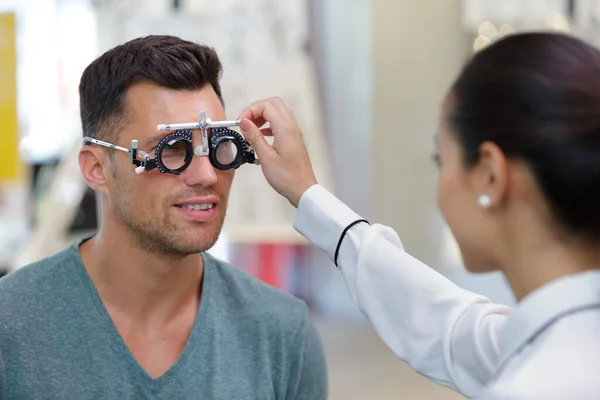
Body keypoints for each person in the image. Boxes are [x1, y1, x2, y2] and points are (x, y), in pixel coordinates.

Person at [237, 32, 600, 399]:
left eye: (440, 161)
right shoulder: (560, 341)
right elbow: (445, 324)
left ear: (490, 174)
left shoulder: (533, 385)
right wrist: (308, 194)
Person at [0, 35, 327, 399]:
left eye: (218, 145)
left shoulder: (281, 334)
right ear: (96, 169)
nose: (206, 176)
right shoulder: (11, 326)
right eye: (173, 149)